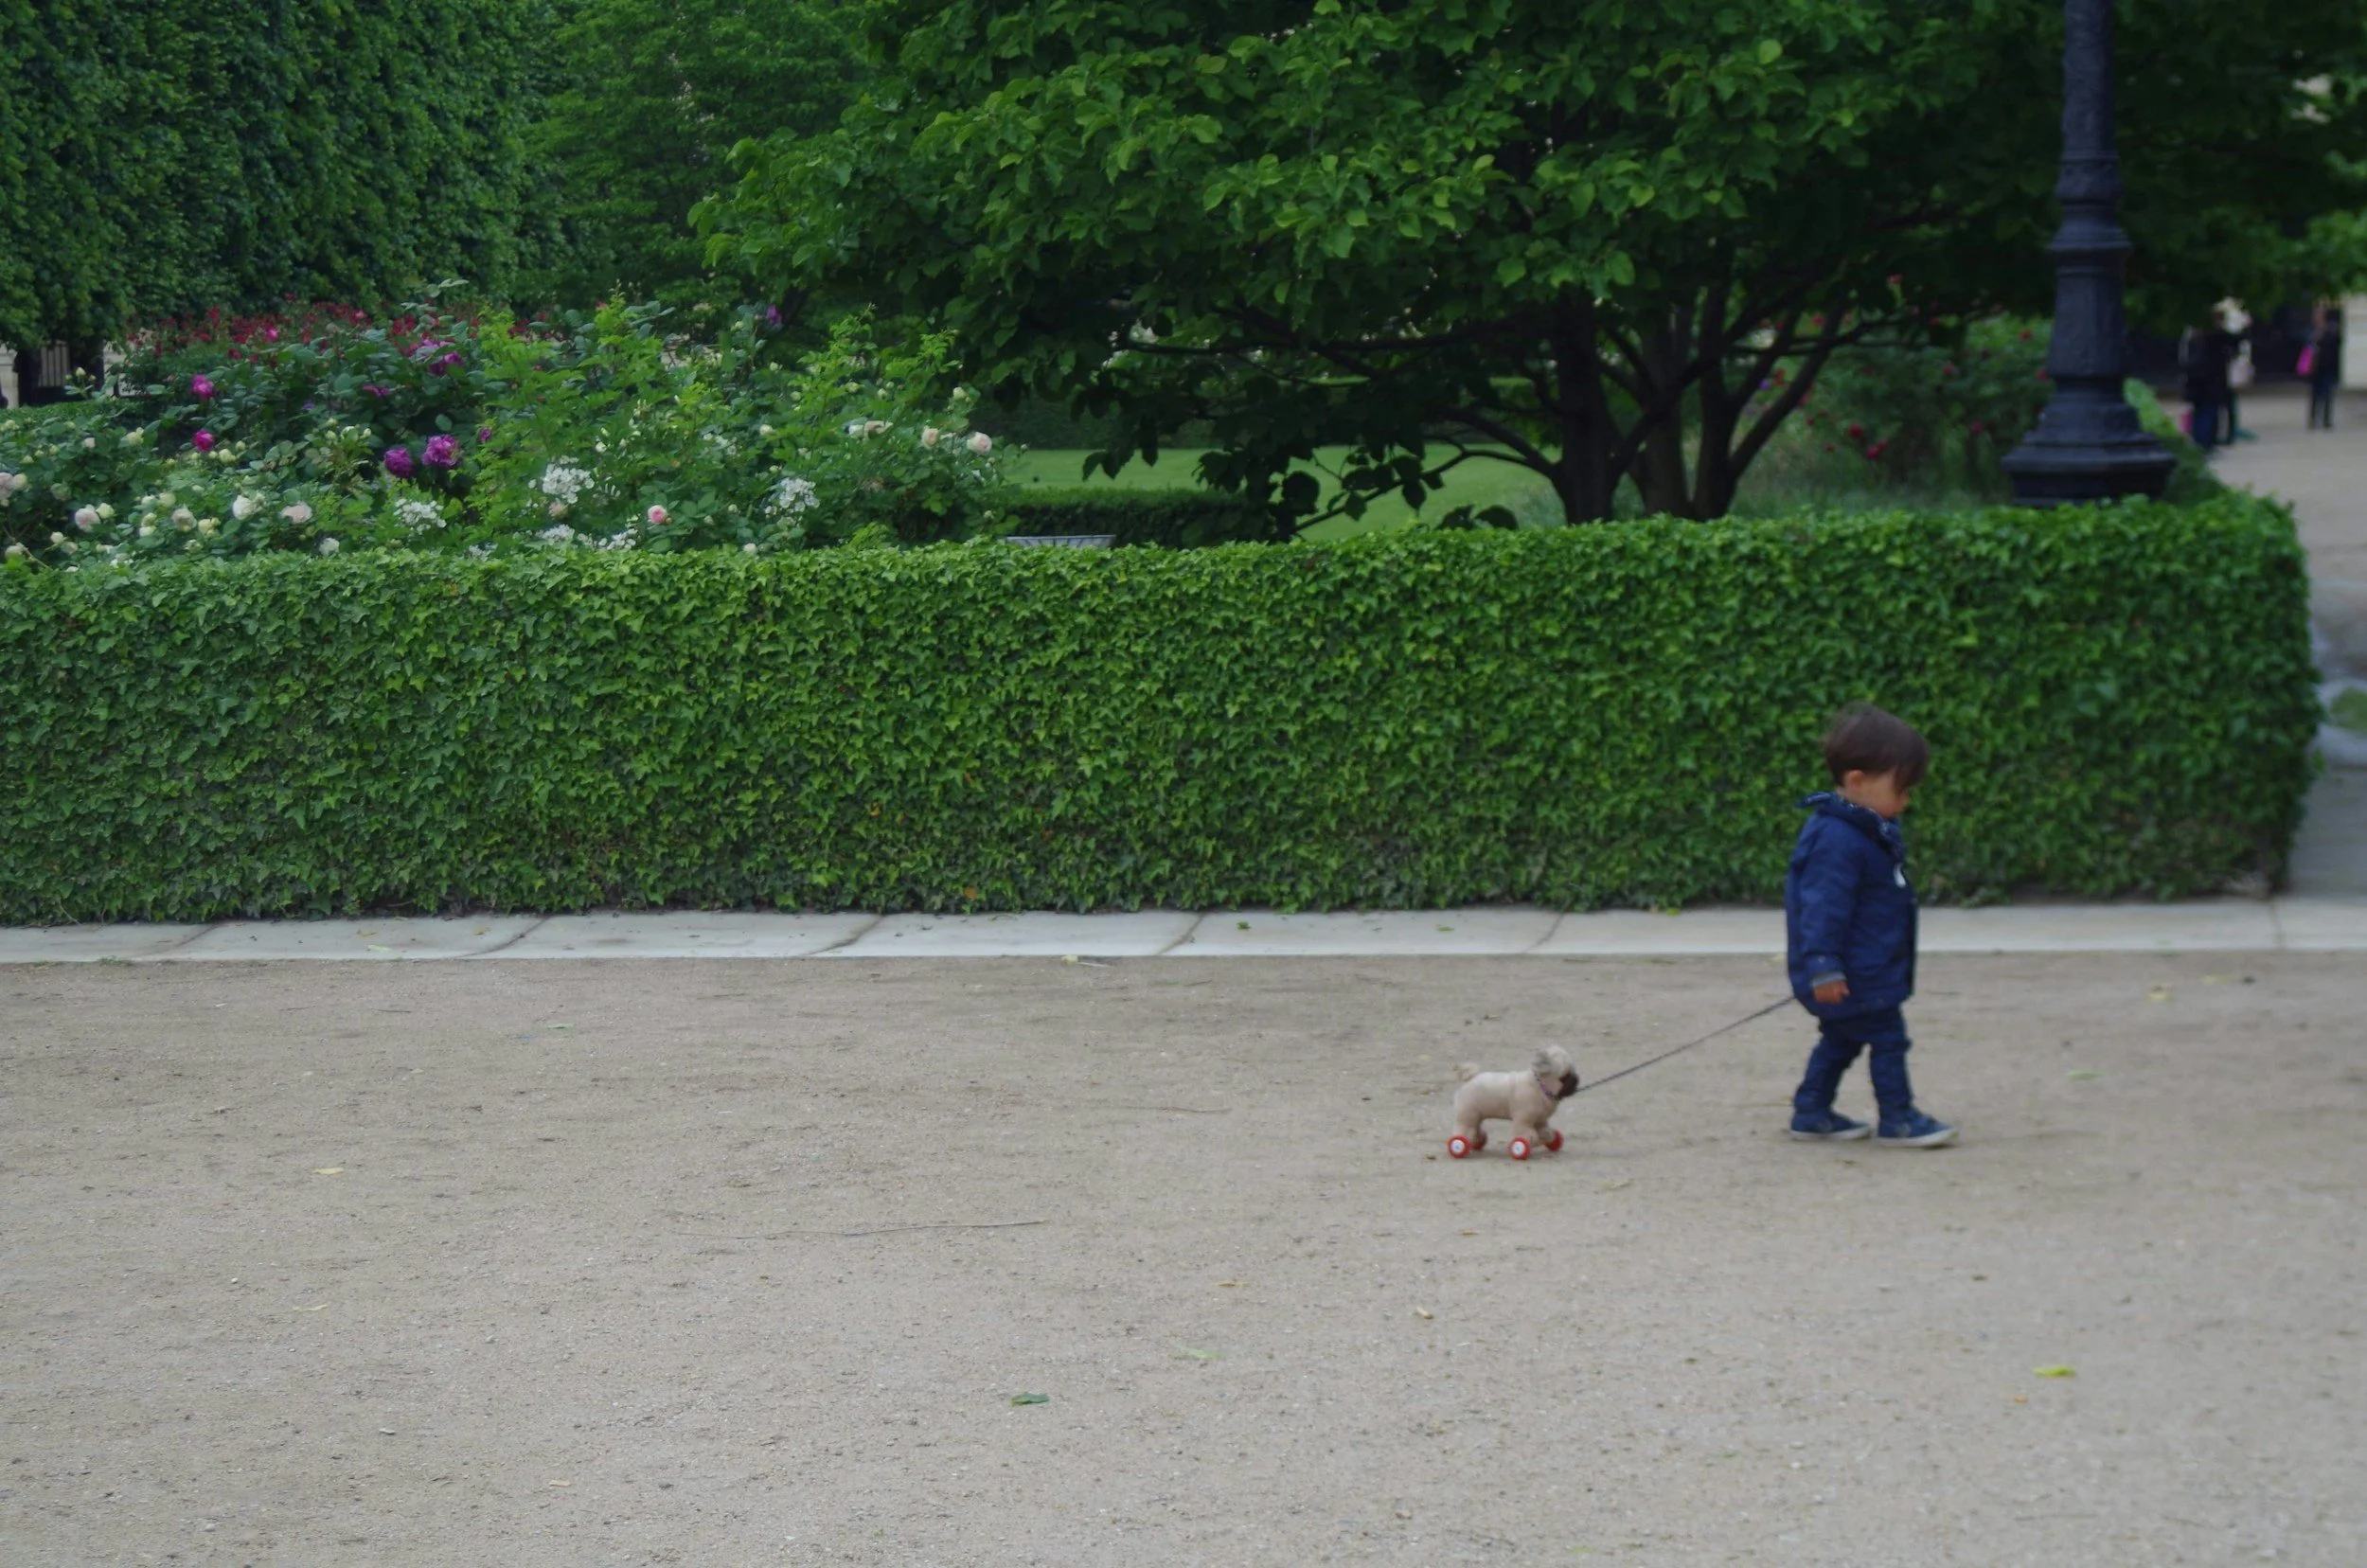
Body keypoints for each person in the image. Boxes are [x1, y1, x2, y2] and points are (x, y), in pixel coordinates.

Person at [1783, 705, 1956, 1148]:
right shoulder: (1838, 839)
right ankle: (1898, 1118)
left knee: (1841, 1039)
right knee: (1888, 1040)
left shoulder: (1864, 829)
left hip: (1865, 967)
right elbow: (1821, 907)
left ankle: (1811, 1111)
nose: (1906, 800)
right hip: (1856, 973)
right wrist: (1823, 964)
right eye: (1901, 788)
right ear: (1858, 781)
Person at [2180, 318, 2231, 452]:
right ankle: (2205, 444)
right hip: (2210, 384)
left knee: (2199, 413)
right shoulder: (2214, 340)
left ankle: (2200, 443)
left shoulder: (2192, 340)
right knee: (2208, 414)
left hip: (2196, 384)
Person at [2307, 306, 2343, 431]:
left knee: (2328, 393)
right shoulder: (2313, 331)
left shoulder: (2332, 329)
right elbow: (2308, 347)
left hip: (2328, 366)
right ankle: (2313, 419)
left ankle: (2326, 419)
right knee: (2315, 394)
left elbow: (2337, 343)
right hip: (2316, 368)